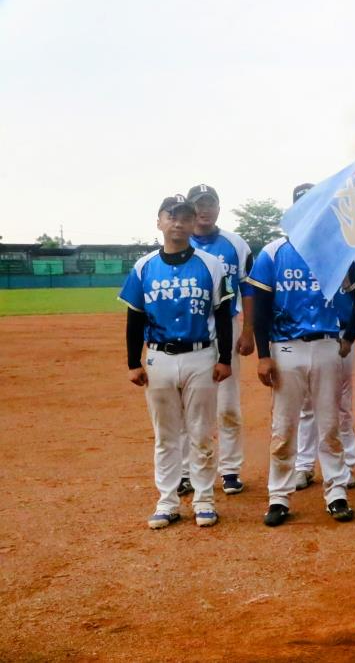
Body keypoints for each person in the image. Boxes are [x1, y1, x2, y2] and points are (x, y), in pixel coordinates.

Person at [248, 184, 355, 527]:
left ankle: (336, 492)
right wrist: (263, 354)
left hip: (326, 344)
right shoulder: (273, 251)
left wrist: (349, 336)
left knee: (330, 423)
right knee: (284, 426)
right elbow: (261, 308)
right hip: (286, 348)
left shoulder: (337, 251)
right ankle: (279, 497)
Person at [119, 195, 233, 529]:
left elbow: (223, 314)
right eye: (171, 216)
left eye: (184, 216)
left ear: (191, 221)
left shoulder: (211, 264)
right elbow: (134, 317)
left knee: (200, 432)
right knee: (166, 435)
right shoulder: (144, 266)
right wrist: (133, 362)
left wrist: (224, 358)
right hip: (159, 358)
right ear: (159, 222)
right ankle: (167, 500)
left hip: (200, 355)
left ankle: (204, 499)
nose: (178, 222)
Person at [185, 184, 255, 495]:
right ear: (189, 209)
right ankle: (188, 471)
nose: (205, 209)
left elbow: (249, 289)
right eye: (199, 204)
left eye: (210, 203)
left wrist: (249, 330)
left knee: (227, 405)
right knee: (190, 406)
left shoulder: (235, 244)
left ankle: (229, 470)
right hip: (190, 332)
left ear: (218, 207)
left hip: (228, 328)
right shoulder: (179, 241)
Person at [292, 183, 355, 492]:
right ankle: (304, 466)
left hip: (338, 340)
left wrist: (350, 335)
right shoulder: (289, 251)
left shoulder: (342, 250)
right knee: (306, 407)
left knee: (342, 405)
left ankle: (346, 464)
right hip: (301, 341)